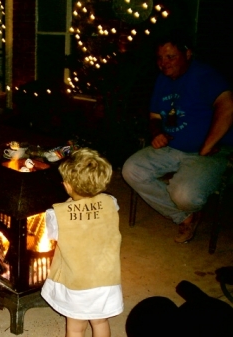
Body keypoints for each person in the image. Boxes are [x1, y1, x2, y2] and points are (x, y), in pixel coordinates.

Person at [122, 32, 233, 243]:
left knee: (184, 195)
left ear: (187, 54)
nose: (163, 63)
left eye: (170, 57)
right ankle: (185, 217)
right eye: (160, 58)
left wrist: (208, 146)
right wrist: (156, 133)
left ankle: (188, 203)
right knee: (131, 170)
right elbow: (154, 116)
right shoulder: (162, 80)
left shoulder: (205, 76)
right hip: (172, 147)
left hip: (207, 153)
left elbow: (228, 105)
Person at [41, 148, 123, 337]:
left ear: (68, 186)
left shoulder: (57, 215)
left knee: (76, 326)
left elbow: (51, 236)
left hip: (77, 283)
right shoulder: (112, 202)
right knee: (100, 321)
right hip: (106, 281)